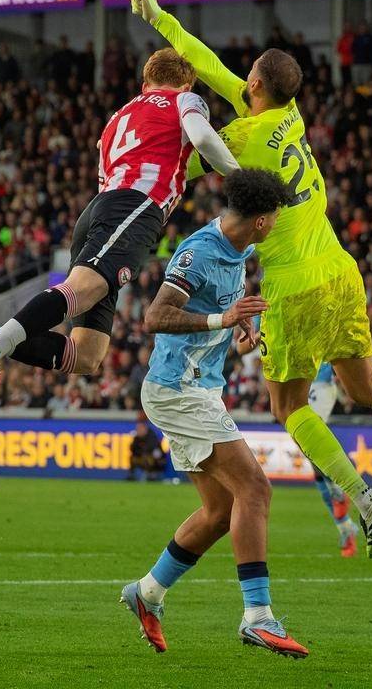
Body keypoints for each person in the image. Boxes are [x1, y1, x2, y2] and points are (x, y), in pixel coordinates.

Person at [131, 0, 372, 558]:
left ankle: (364, 496)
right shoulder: (288, 114)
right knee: (367, 388)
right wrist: (160, 20)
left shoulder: (244, 137)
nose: (241, 76)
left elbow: (194, 147)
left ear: (255, 84)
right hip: (341, 269)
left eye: (247, 73)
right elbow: (208, 64)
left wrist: (167, 113)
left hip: (294, 284)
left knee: (288, 407)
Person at [0, 49, 240, 405]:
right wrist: (240, 178)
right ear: (187, 82)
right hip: (137, 205)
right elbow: (203, 139)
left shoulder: (118, 116)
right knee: (83, 288)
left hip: (101, 208)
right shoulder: (185, 99)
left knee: (86, 355)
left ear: (145, 83)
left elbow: (103, 173)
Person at [120, 168, 308, 658]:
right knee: (255, 487)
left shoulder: (243, 250)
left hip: (199, 388)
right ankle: (258, 616)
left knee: (221, 511)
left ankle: (147, 593)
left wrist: (243, 327)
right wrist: (220, 319)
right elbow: (155, 316)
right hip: (176, 390)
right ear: (264, 221)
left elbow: (231, 308)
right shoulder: (198, 252)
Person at [305, 362, 359, 557]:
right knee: (308, 448)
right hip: (300, 381)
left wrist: (347, 387)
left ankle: (338, 491)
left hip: (320, 384)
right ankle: (346, 528)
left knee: (310, 439)